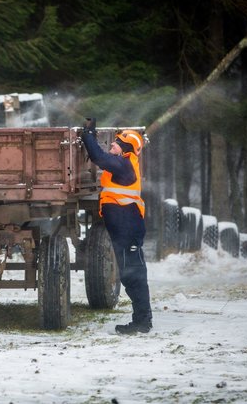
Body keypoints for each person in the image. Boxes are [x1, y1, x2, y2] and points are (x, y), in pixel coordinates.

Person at [81, 118, 152, 334]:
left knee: (134, 276)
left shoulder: (124, 165)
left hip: (128, 233)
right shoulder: (123, 164)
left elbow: (98, 157)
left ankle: (142, 322)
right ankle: (142, 320)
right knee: (131, 275)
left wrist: (87, 135)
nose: (112, 145)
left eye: (116, 143)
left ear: (125, 149)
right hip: (125, 231)